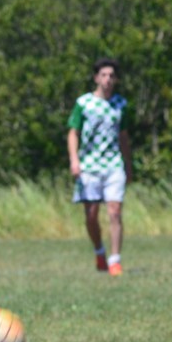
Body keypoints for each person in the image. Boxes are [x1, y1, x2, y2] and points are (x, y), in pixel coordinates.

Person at [67, 57, 133, 277]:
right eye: (103, 75)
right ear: (96, 78)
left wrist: (128, 165)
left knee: (115, 211)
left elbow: (123, 137)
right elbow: (73, 132)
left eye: (111, 76)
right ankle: (99, 251)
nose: (107, 79)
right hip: (89, 166)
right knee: (92, 215)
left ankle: (115, 261)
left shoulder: (121, 104)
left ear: (116, 79)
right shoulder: (84, 103)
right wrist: (74, 160)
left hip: (113, 164)